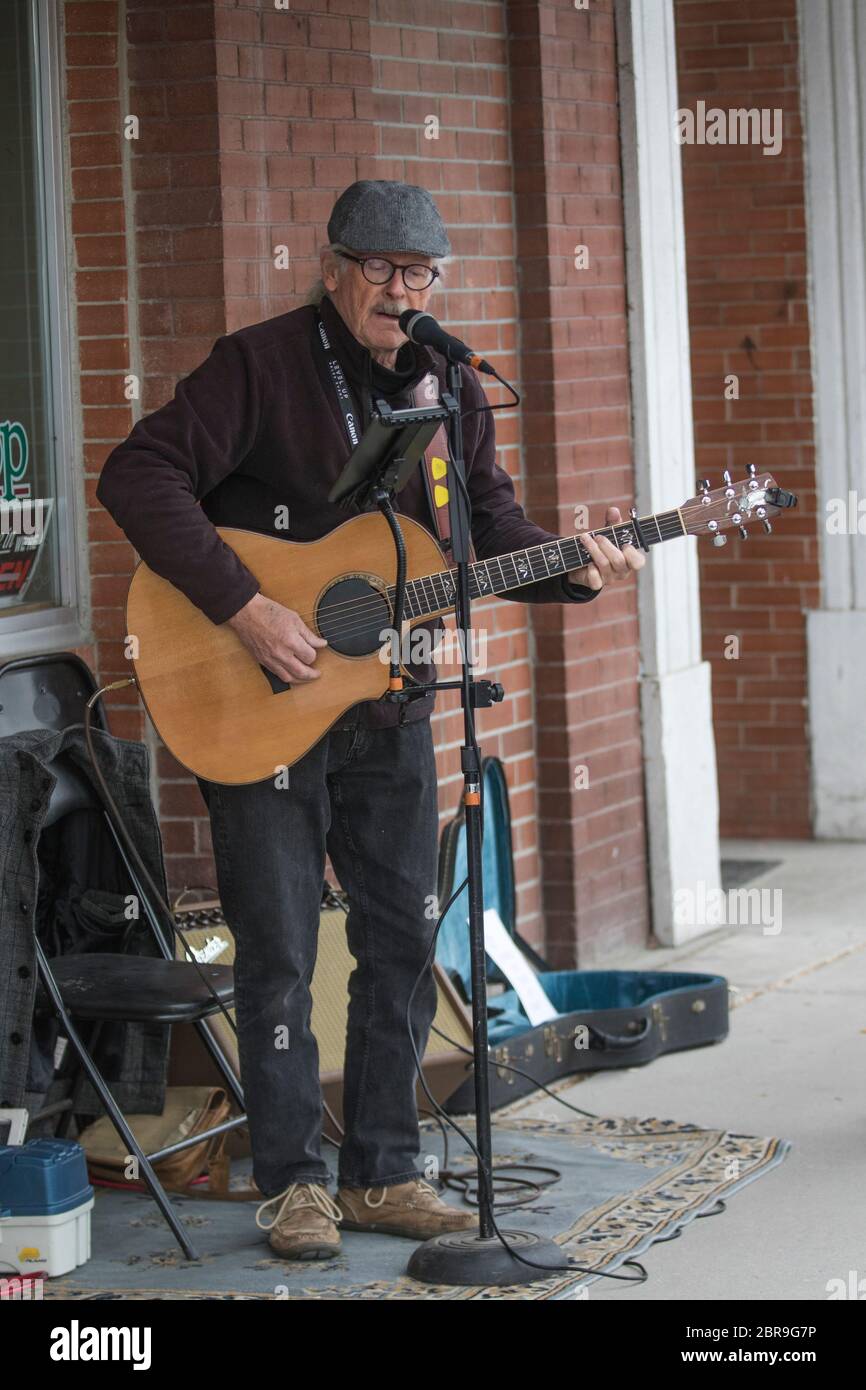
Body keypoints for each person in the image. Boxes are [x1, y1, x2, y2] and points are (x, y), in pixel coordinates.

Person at [96, 179, 646, 1260]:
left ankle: (383, 1169)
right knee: (278, 951)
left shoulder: (447, 379)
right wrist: (245, 607)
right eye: (385, 272)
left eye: (421, 274)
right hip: (256, 697)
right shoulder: (257, 367)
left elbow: (484, 527)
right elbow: (138, 472)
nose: (404, 293)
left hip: (387, 698)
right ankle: (294, 1179)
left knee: (399, 934)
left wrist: (571, 574)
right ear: (334, 266)